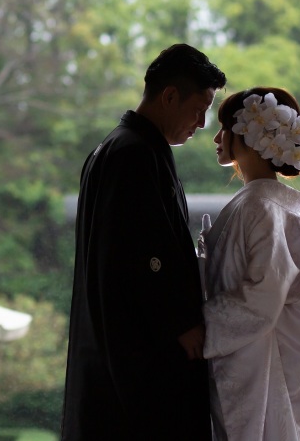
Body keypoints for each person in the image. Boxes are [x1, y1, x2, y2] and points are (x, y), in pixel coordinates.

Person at [60, 44, 227, 441]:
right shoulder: (133, 152)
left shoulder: (121, 146)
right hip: (139, 350)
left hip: (117, 343)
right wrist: (179, 322)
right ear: (169, 96)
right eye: (198, 109)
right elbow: (143, 253)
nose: (202, 123)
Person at [199, 87, 300, 440]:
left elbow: (262, 299)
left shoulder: (258, 208)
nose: (216, 138)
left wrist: (199, 328)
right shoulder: (275, 211)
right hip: (254, 365)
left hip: (255, 371)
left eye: (224, 128)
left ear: (250, 135)